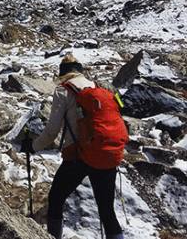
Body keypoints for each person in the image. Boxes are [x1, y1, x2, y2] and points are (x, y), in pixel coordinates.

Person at [20, 54, 125, 239]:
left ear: (63, 73)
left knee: (56, 199)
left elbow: (52, 131)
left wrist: (32, 147)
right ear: (79, 70)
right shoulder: (96, 87)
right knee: (107, 211)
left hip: (77, 156)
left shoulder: (63, 91)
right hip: (106, 152)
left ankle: (53, 236)